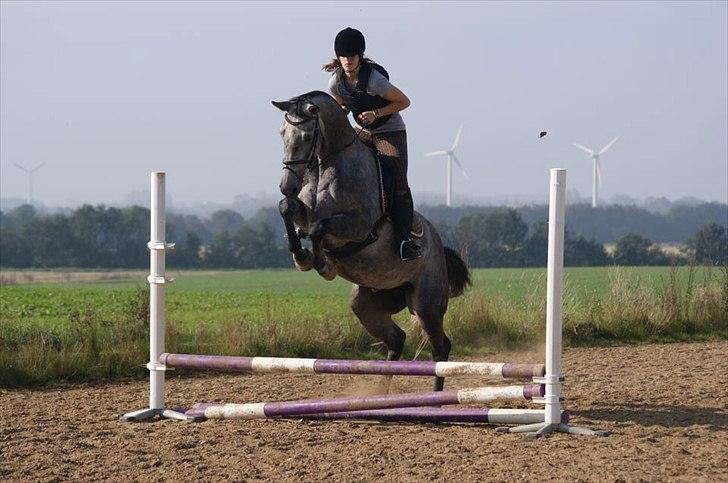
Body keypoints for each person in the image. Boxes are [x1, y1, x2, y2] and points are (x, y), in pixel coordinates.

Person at [323, 27, 422, 261]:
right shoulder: (335, 82)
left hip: (390, 132)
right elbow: (342, 106)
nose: (347, 61)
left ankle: (406, 240)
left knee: (398, 181)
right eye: (343, 57)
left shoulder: (375, 80)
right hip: (363, 132)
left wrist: (376, 113)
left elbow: (404, 101)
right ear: (338, 57)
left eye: (352, 56)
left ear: (360, 56)